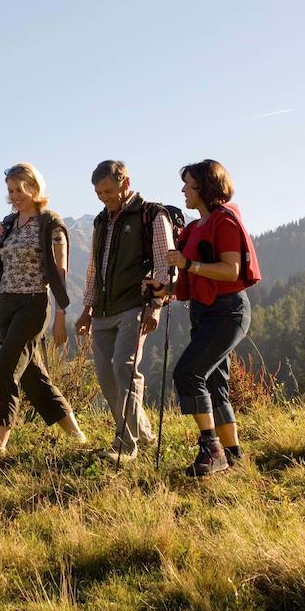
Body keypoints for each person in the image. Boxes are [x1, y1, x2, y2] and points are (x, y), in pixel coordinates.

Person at [160, 159, 261, 476]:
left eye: (188, 184)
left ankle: (211, 448)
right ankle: (233, 457)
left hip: (228, 310)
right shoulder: (195, 227)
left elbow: (230, 270)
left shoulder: (224, 221)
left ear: (204, 187)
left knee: (188, 373)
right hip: (205, 311)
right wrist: (166, 287)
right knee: (216, 383)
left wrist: (187, 265)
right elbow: (196, 276)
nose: (183, 190)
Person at [75, 160, 175, 463]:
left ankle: (125, 444)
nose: (103, 197)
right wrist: (87, 309)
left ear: (125, 182)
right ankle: (142, 431)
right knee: (106, 375)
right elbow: (94, 268)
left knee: (124, 368)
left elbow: (165, 264)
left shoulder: (151, 215)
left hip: (135, 304)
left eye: (107, 190)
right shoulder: (100, 222)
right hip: (104, 309)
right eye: (97, 192)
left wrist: (156, 306)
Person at [0, 162, 87, 460]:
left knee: (5, 369)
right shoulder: (9, 221)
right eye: (10, 190)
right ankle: (75, 433)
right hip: (6, 303)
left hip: (33, 305)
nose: (14, 196)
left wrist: (59, 316)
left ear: (34, 187)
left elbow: (60, 270)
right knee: (32, 375)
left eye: (19, 189)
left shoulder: (50, 223)